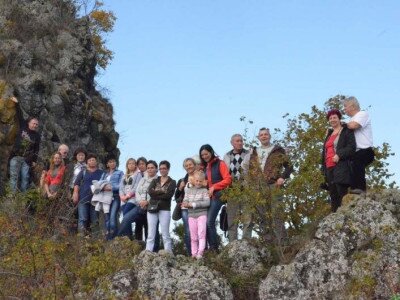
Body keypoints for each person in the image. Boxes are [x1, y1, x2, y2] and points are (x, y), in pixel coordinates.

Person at [242, 127, 292, 243]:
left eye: (266, 134)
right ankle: (268, 243)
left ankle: (283, 242)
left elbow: (289, 166)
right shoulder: (254, 152)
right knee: (263, 215)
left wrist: (282, 177)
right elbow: (248, 169)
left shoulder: (278, 150)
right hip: (257, 186)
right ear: (258, 137)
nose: (264, 136)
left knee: (276, 213)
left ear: (269, 136)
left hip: (273, 184)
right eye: (261, 135)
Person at [321, 109, 356, 212]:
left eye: (335, 117)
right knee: (333, 195)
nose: (332, 120)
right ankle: (335, 220)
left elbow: (351, 147)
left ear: (339, 118)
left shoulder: (346, 131)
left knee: (341, 192)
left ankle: (345, 216)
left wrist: (339, 155)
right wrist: (322, 169)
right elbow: (324, 152)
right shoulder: (329, 134)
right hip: (328, 167)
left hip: (340, 165)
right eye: (330, 118)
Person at [199, 144, 232, 252]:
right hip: (207, 197)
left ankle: (214, 248)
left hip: (218, 195)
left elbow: (228, 179)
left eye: (206, 153)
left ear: (211, 152)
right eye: (202, 155)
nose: (204, 156)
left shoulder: (220, 163)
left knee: (209, 222)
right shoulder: (203, 167)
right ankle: (208, 247)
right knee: (204, 222)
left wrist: (214, 187)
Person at [118, 160, 158, 240]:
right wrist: (140, 201)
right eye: (148, 168)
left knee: (150, 227)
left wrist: (147, 201)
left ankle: (152, 249)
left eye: (152, 168)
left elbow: (156, 194)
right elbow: (137, 190)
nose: (150, 169)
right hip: (139, 205)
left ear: (156, 169)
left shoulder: (158, 180)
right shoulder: (143, 179)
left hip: (151, 206)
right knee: (127, 218)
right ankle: (120, 239)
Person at [343, 96, 374, 194]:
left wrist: (342, 124)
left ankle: (361, 189)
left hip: (365, 150)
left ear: (352, 106)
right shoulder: (352, 119)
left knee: (357, 163)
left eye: (345, 106)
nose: (344, 109)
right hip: (355, 152)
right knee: (350, 167)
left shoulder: (362, 114)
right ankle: (354, 190)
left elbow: (353, 126)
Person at [223, 133, 251, 241]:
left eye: (241, 140)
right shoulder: (227, 156)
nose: (240, 143)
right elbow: (224, 173)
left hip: (247, 189)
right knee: (232, 219)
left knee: (247, 218)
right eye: (237, 141)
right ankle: (232, 243)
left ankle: (246, 241)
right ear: (232, 143)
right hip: (232, 190)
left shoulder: (249, 154)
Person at [146, 160, 176, 253]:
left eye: (164, 168)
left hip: (165, 209)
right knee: (151, 233)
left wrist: (156, 192)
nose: (162, 170)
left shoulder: (172, 182)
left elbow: (169, 195)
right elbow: (150, 192)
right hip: (152, 208)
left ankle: (168, 253)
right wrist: (162, 192)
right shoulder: (155, 180)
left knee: (165, 233)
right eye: (161, 168)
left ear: (168, 169)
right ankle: (148, 252)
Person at [73, 153, 105, 235]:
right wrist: (75, 193)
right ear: (87, 162)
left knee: (95, 220)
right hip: (83, 198)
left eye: (93, 160)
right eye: (90, 160)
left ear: (96, 162)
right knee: (82, 219)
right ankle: (80, 239)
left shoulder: (101, 173)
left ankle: (95, 241)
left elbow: (105, 184)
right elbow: (76, 183)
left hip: (96, 199)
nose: (92, 161)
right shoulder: (83, 172)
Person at [182, 170, 210, 259]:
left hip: (202, 214)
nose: (198, 183)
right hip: (191, 215)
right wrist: (185, 203)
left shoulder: (204, 190)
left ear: (203, 182)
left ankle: (200, 253)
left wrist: (194, 204)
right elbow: (185, 200)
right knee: (193, 236)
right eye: (197, 180)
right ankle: (193, 254)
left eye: (200, 181)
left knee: (201, 234)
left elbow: (207, 203)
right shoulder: (188, 191)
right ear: (194, 180)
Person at [174, 157, 199, 256]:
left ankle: (203, 253)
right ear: (184, 168)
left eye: (190, 164)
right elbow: (176, 196)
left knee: (200, 230)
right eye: (186, 165)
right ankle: (191, 254)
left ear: (195, 165)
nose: (189, 167)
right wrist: (180, 188)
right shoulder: (182, 180)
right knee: (188, 231)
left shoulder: (200, 176)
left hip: (199, 207)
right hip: (185, 208)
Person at [9, 117, 40, 192]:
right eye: (33, 123)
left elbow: (36, 149)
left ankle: (23, 198)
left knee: (25, 177)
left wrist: (34, 161)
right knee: (14, 176)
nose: (35, 125)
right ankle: (11, 196)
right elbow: (19, 114)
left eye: (36, 124)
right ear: (29, 123)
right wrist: (16, 104)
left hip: (27, 160)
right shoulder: (22, 127)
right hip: (16, 156)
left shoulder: (37, 136)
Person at [104, 156, 124, 240]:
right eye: (110, 162)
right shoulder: (105, 174)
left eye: (114, 162)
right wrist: (102, 187)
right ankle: (108, 237)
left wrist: (111, 187)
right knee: (107, 218)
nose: (112, 163)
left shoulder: (120, 172)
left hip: (115, 196)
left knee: (113, 216)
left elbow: (121, 185)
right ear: (107, 164)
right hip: (105, 197)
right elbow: (101, 183)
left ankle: (113, 237)